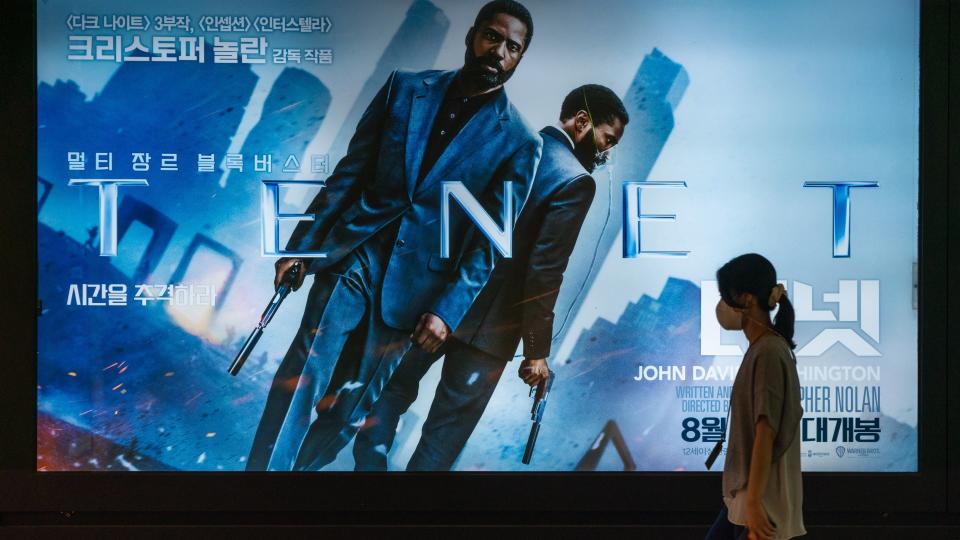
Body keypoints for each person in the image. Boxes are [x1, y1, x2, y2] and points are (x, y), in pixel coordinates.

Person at [245, 0, 541, 471]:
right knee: (303, 375)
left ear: (519, 58)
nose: (498, 51)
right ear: (472, 36)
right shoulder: (404, 88)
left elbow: (487, 244)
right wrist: (301, 246)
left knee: (349, 412)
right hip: (353, 255)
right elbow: (350, 173)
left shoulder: (521, 142)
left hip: (416, 294)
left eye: (512, 46)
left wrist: (447, 311)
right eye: (492, 36)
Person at [352, 85, 628, 471]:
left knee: (391, 392)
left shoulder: (510, 143)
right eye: (607, 138)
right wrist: (535, 351)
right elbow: (545, 270)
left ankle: (370, 474)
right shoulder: (575, 181)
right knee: (441, 440)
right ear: (582, 122)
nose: (605, 152)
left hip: (438, 305)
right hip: (489, 336)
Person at [705, 254, 806, 540]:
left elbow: (766, 432)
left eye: (726, 297)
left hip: (760, 504)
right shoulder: (764, 348)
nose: (721, 306)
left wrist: (754, 505)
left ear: (745, 298)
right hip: (746, 499)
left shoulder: (768, 352)